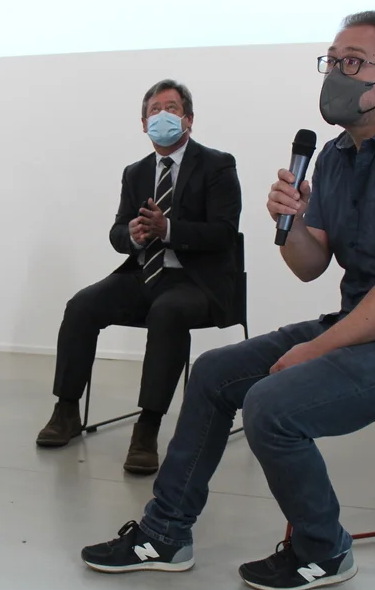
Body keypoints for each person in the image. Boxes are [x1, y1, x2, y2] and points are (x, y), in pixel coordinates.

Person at [80, 11, 375, 590]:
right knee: (215, 372)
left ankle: (324, 550)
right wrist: (290, 222)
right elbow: (309, 264)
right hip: (365, 328)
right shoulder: (335, 156)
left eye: (354, 62)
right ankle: (164, 533)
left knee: (271, 405)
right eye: (332, 60)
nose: (336, 73)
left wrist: (315, 351)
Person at [36, 79, 243, 475]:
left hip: (197, 282)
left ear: (189, 119)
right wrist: (132, 235)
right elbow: (117, 233)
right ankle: (66, 410)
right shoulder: (135, 172)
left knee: (168, 312)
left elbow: (224, 233)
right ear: (144, 124)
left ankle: (147, 428)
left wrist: (169, 230)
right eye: (154, 110)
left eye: (171, 108)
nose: (162, 115)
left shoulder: (217, 165)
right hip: (145, 274)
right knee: (81, 306)